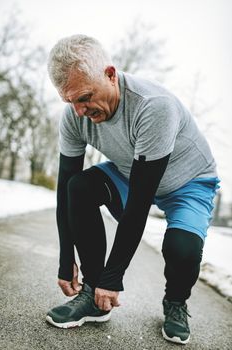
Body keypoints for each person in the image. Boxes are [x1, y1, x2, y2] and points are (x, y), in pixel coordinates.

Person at [46, 34, 220, 344]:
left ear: (110, 74)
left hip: (188, 182)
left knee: (182, 249)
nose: (80, 111)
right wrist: (65, 261)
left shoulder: (153, 107)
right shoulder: (75, 116)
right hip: (130, 171)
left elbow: (140, 204)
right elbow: (64, 193)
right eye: (70, 101)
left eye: (85, 97)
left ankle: (175, 303)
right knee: (79, 188)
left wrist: (114, 278)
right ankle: (91, 295)